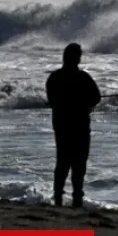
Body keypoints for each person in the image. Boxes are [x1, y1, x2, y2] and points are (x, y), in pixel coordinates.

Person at [46, 43, 101, 208]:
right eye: (78, 55)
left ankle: (59, 196)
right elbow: (96, 98)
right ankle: (76, 197)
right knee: (77, 162)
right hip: (78, 125)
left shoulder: (54, 77)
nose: (79, 57)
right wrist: (83, 103)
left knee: (64, 161)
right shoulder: (83, 77)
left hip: (62, 124)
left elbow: (52, 100)